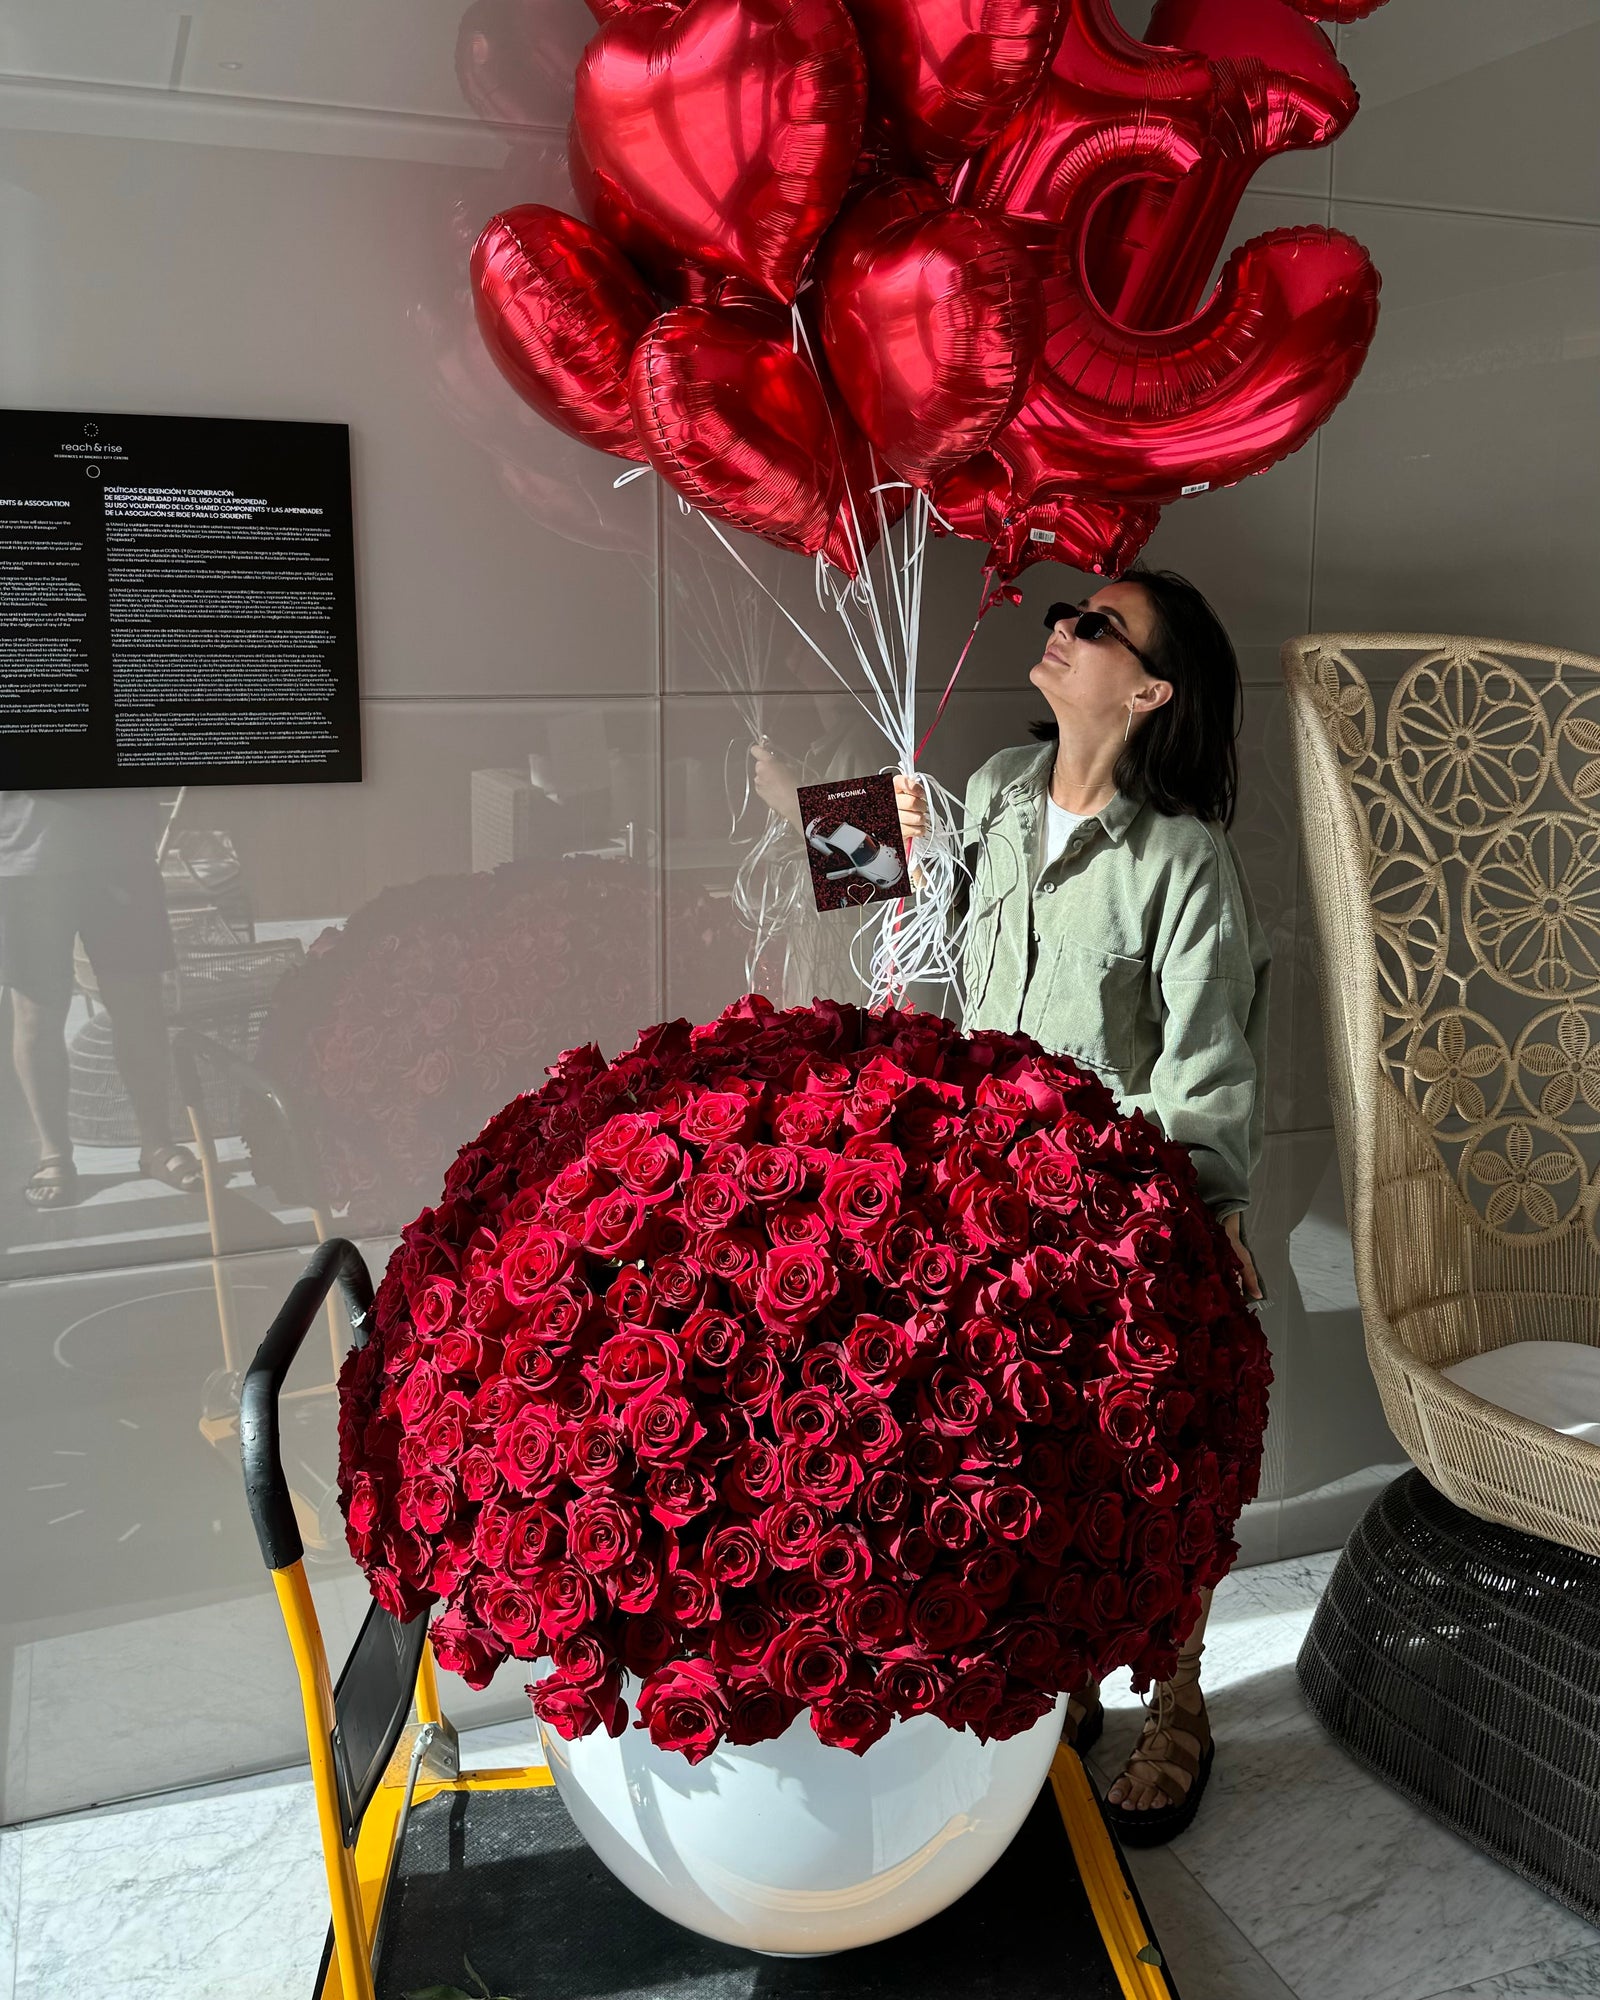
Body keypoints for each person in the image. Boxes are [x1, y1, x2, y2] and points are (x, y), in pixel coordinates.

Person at [896, 567, 1269, 1847]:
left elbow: (1209, 1064)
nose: (1061, 627)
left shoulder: (1183, 859)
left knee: (1154, 1457)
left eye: (1096, 625)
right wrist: (888, 842)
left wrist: (1209, 1209)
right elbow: (928, 941)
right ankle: (1064, 1676)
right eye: (1066, 610)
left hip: (1114, 1211)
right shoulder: (999, 790)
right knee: (1026, 1453)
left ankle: (1179, 1701)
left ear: (1150, 690)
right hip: (983, 1206)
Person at [0, 791, 200, 1208]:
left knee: (140, 1010)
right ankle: (54, 1153)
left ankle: (156, 1145)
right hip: (26, 854)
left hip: (121, 848)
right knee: (35, 1014)